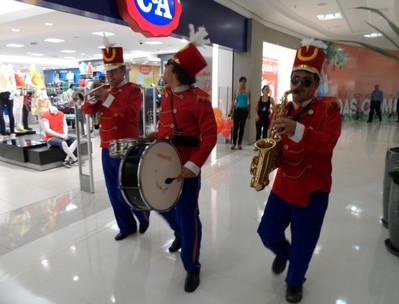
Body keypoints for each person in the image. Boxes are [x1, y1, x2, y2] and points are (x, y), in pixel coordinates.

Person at [257, 39, 341, 303]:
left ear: (316, 85)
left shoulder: (329, 109)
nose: (299, 86)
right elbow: (278, 147)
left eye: (306, 82)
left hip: (313, 187)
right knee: (267, 232)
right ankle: (283, 252)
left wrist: (298, 129)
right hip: (283, 185)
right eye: (296, 79)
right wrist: (269, 160)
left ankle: (294, 281)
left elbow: (327, 143)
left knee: (304, 242)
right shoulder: (281, 110)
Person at [148, 25, 217, 293]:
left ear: (176, 72)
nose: (163, 70)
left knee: (188, 215)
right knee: (160, 203)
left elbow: (209, 136)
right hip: (165, 160)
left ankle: (192, 265)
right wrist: (158, 133)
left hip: (186, 167)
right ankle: (181, 234)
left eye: (167, 66)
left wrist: (193, 165)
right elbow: (168, 126)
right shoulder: (166, 94)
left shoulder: (199, 100)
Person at [81, 38, 150, 241]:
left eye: (113, 72)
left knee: (127, 189)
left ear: (122, 71)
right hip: (106, 147)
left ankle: (143, 215)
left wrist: (108, 98)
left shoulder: (133, 90)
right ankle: (126, 226)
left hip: (127, 147)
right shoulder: (104, 91)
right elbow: (86, 110)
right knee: (113, 192)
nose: (109, 76)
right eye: (107, 72)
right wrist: (91, 95)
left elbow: (130, 115)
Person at [228, 76, 251, 150]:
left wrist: (249, 113)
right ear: (239, 82)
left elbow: (249, 103)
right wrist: (230, 111)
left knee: (242, 127)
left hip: (244, 110)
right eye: (242, 81)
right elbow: (233, 101)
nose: (243, 83)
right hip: (237, 110)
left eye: (245, 81)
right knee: (235, 127)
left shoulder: (248, 91)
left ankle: (239, 143)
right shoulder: (236, 90)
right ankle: (234, 143)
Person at [0, 62, 17, 142]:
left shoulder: (8, 68)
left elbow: (13, 81)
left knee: (10, 113)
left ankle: (12, 132)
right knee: (0, 115)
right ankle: (3, 133)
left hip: (8, 93)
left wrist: (14, 92)